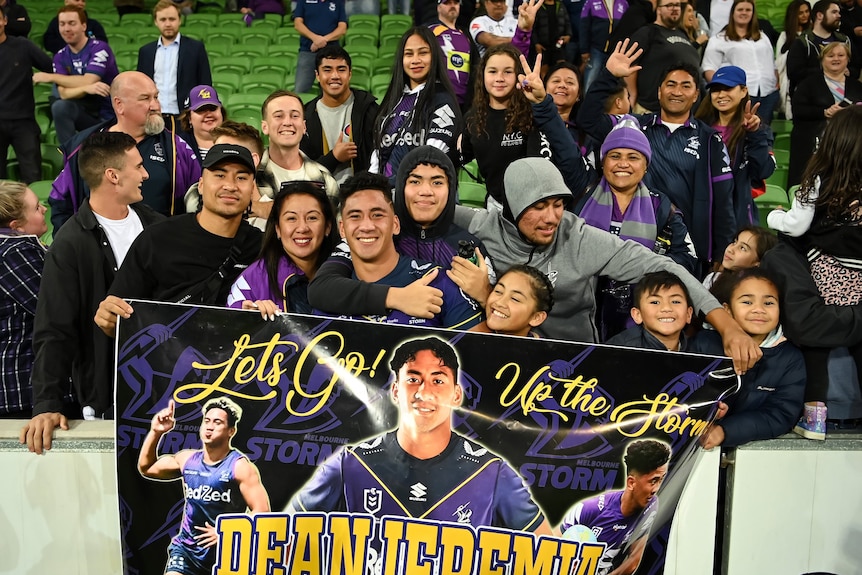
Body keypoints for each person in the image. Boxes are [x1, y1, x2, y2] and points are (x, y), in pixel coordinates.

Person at [451, 155, 761, 373]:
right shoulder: (484, 226)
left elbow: (667, 269)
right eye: (539, 207)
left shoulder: (581, 238)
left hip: (575, 365)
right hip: (509, 361)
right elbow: (419, 203)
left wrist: (728, 326)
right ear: (513, 207)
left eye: (558, 204)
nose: (551, 218)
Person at [288, 336, 552, 535]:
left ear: (456, 394)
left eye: (438, 381)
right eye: (413, 379)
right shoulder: (351, 464)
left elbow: (549, 555)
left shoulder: (491, 472)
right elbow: (281, 536)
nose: (424, 392)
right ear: (394, 391)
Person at [20, 132, 162, 454]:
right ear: (113, 175)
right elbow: (54, 330)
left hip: (164, 392)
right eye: (138, 167)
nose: (146, 175)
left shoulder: (159, 229)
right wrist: (46, 403)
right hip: (105, 401)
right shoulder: (69, 245)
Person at [579, 40, 735, 274]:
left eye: (686, 86)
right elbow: (587, 120)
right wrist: (608, 75)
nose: (677, 91)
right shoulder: (632, 125)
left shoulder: (710, 140)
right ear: (659, 91)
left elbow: (723, 201)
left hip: (684, 250)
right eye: (670, 84)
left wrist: (722, 249)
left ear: (696, 95)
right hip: (629, 240)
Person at [94, 144, 263, 335]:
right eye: (219, 175)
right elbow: (117, 317)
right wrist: (108, 316)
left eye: (241, 178)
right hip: (165, 361)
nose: (230, 186)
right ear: (200, 185)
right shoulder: (157, 239)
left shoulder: (263, 247)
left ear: (252, 190)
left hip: (240, 361)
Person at [308, 146, 496, 316]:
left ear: (451, 190)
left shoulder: (470, 247)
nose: (426, 191)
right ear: (401, 187)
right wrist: (396, 297)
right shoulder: (376, 235)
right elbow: (320, 289)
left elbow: (500, 322)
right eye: (415, 181)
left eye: (437, 183)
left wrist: (486, 294)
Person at [767, 105, 862, 440]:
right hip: (861, 281)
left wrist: (773, 218)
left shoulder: (820, 178)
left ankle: (814, 418)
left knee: (816, 344)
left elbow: (796, 225)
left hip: (828, 275)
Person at [572, 117, 698, 341]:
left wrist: (649, 268)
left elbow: (687, 257)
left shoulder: (662, 207)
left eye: (633, 157)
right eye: (614, 156)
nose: (623, 164)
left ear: (646, 165)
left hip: (640, 315)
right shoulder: (583, 197)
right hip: (581, 310)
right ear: (603, 162)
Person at [48, 71, 201, 233]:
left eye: (156, 97)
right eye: (145, 98)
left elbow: (198, 201)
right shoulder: (83, 146)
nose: (155, 106)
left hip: (160, 250)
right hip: (101, 251)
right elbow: (60, 202)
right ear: (119, 105)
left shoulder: (178, 147)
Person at [139, 397, 270, 575]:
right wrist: (156, 432)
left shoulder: (240, 467)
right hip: (186, 551)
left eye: (217, 422)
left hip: (226, 554)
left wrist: (226, 533)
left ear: (231, 431)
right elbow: (147, 468)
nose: (209, 426)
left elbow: (262, 513)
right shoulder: (187, 460)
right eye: (206, 421)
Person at [693, 269, 806, 448]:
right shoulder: (704, 344)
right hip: (696, 445)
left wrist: (726, 430)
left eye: (769, 303)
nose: (759, 310)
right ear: (727, 310)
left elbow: (781, 414)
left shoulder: (790, 358)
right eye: (747, 301)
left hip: (748, 455)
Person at [461, 46, 580, 206]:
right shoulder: (472, 118)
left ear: (518, 76)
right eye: (492, 71)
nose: (499, 78)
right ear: (482, 76)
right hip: (495, 206)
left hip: (533, 204)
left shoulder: (531, 115)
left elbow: (543, 169)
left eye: (508, 72)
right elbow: (462, 157)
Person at [559, 439, 671, 575]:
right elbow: (549, 548)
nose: (656, 489)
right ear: (631, 483)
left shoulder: (651, 505)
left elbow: (634, 561)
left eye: (661, 479)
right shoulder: (589, 509)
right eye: (653, 481)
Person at [227, 180, 339, 315]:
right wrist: (248, 320)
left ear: (328, 226)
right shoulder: (252, 280)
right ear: (278, 229)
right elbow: (227, 328)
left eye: (312, 217)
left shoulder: (347, 271)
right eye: (291, 218)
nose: (302, 228)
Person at [370, 27, 462, 183]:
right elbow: (378, 155)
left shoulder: (442, 99)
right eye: (408, 54)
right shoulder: (393, 102)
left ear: (434, 57)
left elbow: (433, 155)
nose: (415, 60)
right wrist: (371, 187)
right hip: (386, 194)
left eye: (423, 53)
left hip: (423, 194)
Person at [694, 66, 775, 226]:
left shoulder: (758, 130)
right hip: (701, 211)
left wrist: (754, 134)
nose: (721, 95)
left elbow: (762, 171)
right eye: (716, 90)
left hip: (738, 215)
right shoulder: (698, 128)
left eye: (728, 88)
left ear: (744, 91)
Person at [32, 5, 119, 147]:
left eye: (72, 23)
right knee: (60, 106)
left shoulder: (99, 48)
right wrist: (86, 89)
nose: (66, 29)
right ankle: (69, 157)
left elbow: (90, 79)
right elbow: (64, 94)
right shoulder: (60, 56)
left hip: (110, 116)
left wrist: (51, 77)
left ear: (84, 26)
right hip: (86, 114)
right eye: (62, 24)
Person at [253, 90, 338, 225]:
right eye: (279, 116)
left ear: (304, 127)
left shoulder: (325, 179)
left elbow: (332, 232)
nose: (287, 122)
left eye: (294, 116)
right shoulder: (250, 176)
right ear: (265, 127)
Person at [0, 181, 48, 419]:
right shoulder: (15, 250)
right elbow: (51, 309)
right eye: (37, 208)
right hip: (22, 387)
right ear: (16, 226)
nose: (45, 210)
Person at [300, 46, 379, 184]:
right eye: (327, 70)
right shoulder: (306, 116)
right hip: (321, 196)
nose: (335, 76)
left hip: (361, 194)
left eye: (341, 69)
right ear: (317, 75)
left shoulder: (369, 109)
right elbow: (302, 171)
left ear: (350, 74)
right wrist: (334, 157)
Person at [788, 42, 862, 188]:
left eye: (841, 55)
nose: (836, 59)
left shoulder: (857, 87)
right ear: (822, 60)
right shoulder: (807, 84)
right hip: (812, 144)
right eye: (831, 56)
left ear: (847, 59)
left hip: (849, 146)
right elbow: (798, 110)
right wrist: (824, 112)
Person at [701, 0, 780, 124]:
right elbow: (709, 68)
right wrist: (725, 90)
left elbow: (772, 62)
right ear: (733, 13)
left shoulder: (762, 37)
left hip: (767, 93)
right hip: (738, 95)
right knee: (739, 133)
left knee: (763, 133)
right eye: (740, 10)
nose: (744, 13)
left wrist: (776, 80)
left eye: (748, 10)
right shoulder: (719, 39)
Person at [0, 4, 53, 184]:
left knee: (32, 174)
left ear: (5, 20)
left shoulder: (23, 46)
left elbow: (52, 67)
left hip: (24, 122)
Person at [136, 0, 213, 120]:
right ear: (156, 22)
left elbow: (205, 83)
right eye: (163, 20)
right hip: (154, 116)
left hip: (185, 116)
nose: (167, 24)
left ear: (180, 20)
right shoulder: (145, 52)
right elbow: (140, 87)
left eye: (172, 19)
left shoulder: (196, 48)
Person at [626, 0, 702, 114]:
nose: (675, 8)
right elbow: (630, 64)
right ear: (659, 9)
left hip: (685, 111)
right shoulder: (648, 32)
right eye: (669, 5)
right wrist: (632, 95)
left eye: (677, 5)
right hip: (652, 110)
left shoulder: (683, 34)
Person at [184, 120, 265, 215]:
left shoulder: (277, 215)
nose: (218, 156)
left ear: (253, 160)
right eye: (216, 150)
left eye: (227, 151)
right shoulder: (196, 197)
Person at [607, 271, 694, 351]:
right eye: (655, 302)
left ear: (688, 314)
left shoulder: (698, 352)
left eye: (675, 301)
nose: (667, 308)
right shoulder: (619, 350)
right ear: (637, 315)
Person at [469, 264, 553, 337]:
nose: (499, 302)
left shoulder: (543, 354)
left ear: (536, 317)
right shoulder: (468, 337)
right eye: (498, 291)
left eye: (515, 299)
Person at [786, 0, 851, 95]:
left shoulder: (844, 40)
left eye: (838, 12)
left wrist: (849, 71)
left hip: (842, 96)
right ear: (820, 15)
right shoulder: (803, 42)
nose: (838, 15)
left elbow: (855, 68)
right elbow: (794, 73)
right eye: (834, 12)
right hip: (811, 98)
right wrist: (826, 70)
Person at [429, 0, 479, 110]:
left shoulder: (465, 34)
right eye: (447, 3)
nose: (452, 6)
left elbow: (476, 64)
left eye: (455, 3)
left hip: (465, 102)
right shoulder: (431, 31)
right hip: (438, 99)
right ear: (438, 7)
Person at [292, 0, 347, 94]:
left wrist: (322, 40)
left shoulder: (338, 2)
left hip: (331, 54)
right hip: (308, 51)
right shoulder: (303, 1)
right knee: (300, 90)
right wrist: (315, 38)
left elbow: (342, 28)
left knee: (331, 92)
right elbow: (298, 24)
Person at [702, 225, 777, 291]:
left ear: (758, 262)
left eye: (742, 248)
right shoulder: (713, 279)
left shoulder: (758, 291)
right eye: (734, 242)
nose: (730, 249)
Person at [578, 0, 630, 90]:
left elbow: (628, 27)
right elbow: (584, 27)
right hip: (596, 50)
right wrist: (584, 50)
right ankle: (588, 103)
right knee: (590, 83)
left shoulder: (623, 3)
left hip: (615, 53)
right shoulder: (590, 2)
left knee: (613, 85)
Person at [775, 0, 812, 119]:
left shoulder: (813, 34)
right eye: (801, 12)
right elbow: (779, 62)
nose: (805, 15)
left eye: (807, 11)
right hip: (791, 80)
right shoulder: (785, 36)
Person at [470, 0, 541, 58]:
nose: (499, 4)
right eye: (494, 1)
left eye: (502, 1)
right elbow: (490, 41)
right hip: (487, 67)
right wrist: (517, 39)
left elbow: (524, 46)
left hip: (514, 66)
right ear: (486, 3)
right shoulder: (478, 21)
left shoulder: (516, 22)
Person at [177, 85, 226, 163]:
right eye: (201, 110)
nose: (209, 114)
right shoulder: (177, 145)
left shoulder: (236, 141)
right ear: (189, 118)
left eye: (212, 108)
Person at [43, 0, 109, 54]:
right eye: (77, 0)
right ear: (66, 1)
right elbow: (48, 42)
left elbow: (102, 44)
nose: (80, 3)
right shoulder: (55, 23)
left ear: (84, 26)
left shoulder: (94, 24)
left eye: (83, 1)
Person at [531, 0, 573, 75]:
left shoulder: (560, 5)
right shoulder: (538, 6)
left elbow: (567, 22)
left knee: (561, 69)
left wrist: (568, 35)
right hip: (543, 46)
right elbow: (533, 27)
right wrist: (536, 43)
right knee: (544, 72)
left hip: (558, 44)